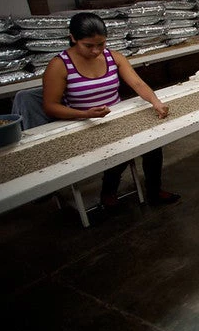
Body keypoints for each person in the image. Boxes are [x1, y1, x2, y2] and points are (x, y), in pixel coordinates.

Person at [42, 12, 180, 208]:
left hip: (114, 116)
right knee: (118, 149)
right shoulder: (59, 65)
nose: (96, 51)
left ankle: (154, 191)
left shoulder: (113, 57)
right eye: (88, 45)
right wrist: (85, 114)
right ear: (73, 38)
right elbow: (50, 107)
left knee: (152, 143)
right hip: (82, 123)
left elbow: (138, 84)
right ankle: (108, 192)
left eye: (101, 44)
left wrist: (155, 101)